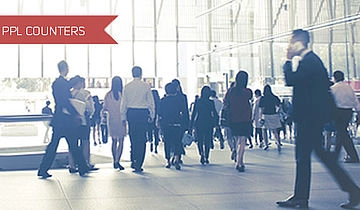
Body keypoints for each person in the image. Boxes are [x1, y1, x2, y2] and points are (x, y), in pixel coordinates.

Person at [276, 29, 360, 209]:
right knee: (313, 157)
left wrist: (288, 60)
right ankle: (303, 197)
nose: (289, 45)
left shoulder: (309, 62)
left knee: (304, 157)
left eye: (292, 42)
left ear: (299, 43)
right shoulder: (311, 61)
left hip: (309, 120)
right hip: (311, 119)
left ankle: (302, 197)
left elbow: (291, 80)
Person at [37, 60, 89, 178]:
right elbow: (65, 101)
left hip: (58, 119)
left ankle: (43, 168)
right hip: (66, 121)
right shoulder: (63, 84)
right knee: (73, 145)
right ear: (66, 68)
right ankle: (82, 167)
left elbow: (61, 101)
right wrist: (76, 114)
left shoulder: (56, 83)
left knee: (54, 145)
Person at [120, 66, 155, 172]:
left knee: (133, 137)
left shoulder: (127, 86)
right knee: (142, 139)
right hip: (142, 113)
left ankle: (133, 160)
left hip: (131, 113)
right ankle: (139, 163)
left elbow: (124, 102)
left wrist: (123, 116)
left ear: (132, 73)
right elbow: (151, 102)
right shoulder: (146, 86)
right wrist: (152, 115)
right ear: (141, 74)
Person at [223, 71, 253, 172]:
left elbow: (225, 102)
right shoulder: (248, 92)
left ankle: (235, 153)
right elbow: (249, 98)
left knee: (236, 139)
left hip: (233, 119)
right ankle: (240, 162)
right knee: (242, 141)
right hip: (245, 119)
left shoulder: (230, 91)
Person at [67, 76, 96, 173]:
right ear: (79, 83)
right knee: (85, 142)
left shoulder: (69, 93)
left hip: (71, 121)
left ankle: (71, 164)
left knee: (73, 143)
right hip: (84, 120)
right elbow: (90, 108)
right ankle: (86, 163)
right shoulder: (86, 94)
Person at [331, 70, 360, 163]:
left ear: (334, 78)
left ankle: (352, 156)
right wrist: (358, 110)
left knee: (341, 133)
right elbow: (355, 100)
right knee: (342, 132)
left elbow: (330, 102)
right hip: (348, 112)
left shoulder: (333, 88)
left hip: (338, 111)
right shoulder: (348, 88)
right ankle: (339, 155)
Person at [158, 82, 187, 170]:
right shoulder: (179, 100)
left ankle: (168, 160)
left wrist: (159, 123)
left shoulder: (163, 100)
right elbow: (184, 112)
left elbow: (160, 113)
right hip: (177, 124)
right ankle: (177, 159)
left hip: (166, 124)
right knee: (177, 142)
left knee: (167, 142)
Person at [190, 85, 219, 165]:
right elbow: (214, 113)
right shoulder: (210, 102)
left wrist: (191, 125)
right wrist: (216, 123)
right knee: (207, 140)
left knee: (200, 140)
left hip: (199, 122)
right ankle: (206, 156)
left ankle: (201, 154)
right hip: (209, 123)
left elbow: (194, 114)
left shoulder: (198, 102)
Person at [103, 76, 127, 170]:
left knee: (113, 141)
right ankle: (118, 160)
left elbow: (105, 108)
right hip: (121, 119)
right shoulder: (123, 94)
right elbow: (126, 106)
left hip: (112, 119)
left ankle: (114, 160)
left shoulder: (108, 95)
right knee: (121, 141)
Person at [259, 84, 282, 152]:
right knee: (274, 131)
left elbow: (261, 108)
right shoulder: (274, 97)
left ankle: (266, 144)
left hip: (265, 115)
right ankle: (278, 143)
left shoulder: (263, 98)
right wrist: (278, 111)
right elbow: (280, 105)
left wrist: (260, 117)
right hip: (274, 114)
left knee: (264, 130)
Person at [172, 79, 190, 164]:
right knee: (178, 140)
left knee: (176, 140)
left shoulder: (171, 97)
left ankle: (176, 156)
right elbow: (185, 110)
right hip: (182, 121)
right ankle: (177, 156)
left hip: (175, 121)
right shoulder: (183, 97)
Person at [147, 89, 161, 154]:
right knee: (156, 133)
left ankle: (151, 142)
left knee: (149, 131)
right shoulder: (159, 102)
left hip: (150, 119)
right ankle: (156, 146)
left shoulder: (149, 102)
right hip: (157, 119)